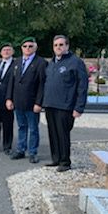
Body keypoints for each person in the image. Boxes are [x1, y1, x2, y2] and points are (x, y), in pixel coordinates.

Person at [43, 35, 88, 172]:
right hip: (50, 104)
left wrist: (79, 107)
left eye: (61, 45)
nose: (58, 47)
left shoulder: (75, 62)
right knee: (53, 133)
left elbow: (82, 86)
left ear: (67, 46)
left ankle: (65, 161)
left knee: (63, 134)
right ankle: (56, 158)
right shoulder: (52, 63)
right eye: (56, 45)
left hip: (65, 106)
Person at [6, 37, 47, 163]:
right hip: (18, 101)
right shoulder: (17, 61)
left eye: (30, 46)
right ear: (21, 48)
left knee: (33, 128)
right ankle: (20, 149)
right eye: (25, 46)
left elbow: (42, 84)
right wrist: (9, 98)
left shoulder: (41, 62)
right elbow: (11, 82)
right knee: (21, 127)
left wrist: (39, 102)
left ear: (35, 47)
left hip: (32, 102)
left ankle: (33, 152)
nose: (27, 48)